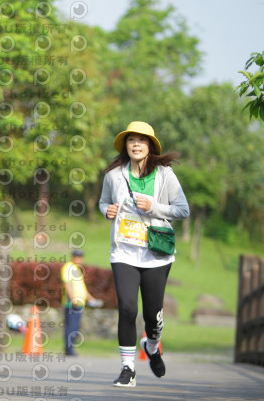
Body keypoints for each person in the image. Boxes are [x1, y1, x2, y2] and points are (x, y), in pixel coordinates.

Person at [99, 121, 189, 387]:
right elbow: (103, 202)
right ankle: (128, 369)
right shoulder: (114, 175)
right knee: (127, 309)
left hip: (156, 254)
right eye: (131, 140)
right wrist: (106, 211)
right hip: (124, 253)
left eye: (142, 140)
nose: (136, 144)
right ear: (125, 146)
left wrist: (154, 207)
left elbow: (182, 210)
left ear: (150, 146)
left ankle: (151, 345)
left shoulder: (165, 174)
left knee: (153, 315)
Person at [61, 249, 100, 356]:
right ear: (73, 257)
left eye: (80, 257)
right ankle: (69, 350)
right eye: (77, 257)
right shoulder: (68, 267)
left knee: (75, 326)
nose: (79, 259)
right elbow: (67, 283)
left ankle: (70, 348)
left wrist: (91, 298)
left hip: (79, 303)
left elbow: (82, 288)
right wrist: (73, 298)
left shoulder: (77, 270)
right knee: (71, 326)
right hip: (72, 303)